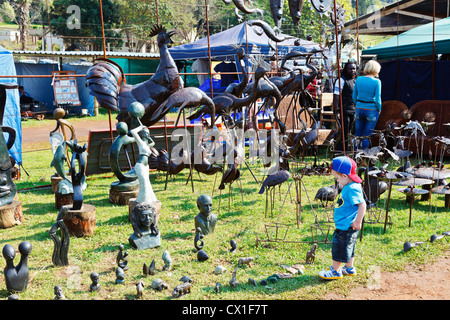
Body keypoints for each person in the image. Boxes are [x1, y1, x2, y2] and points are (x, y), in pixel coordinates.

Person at [318, 156, 366, 280]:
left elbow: (362, 204)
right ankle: (349, 268)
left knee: (339, 247)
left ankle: (335, 271)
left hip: (347, 226)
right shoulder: (350, 186)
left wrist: (358, 221)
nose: (337, 181)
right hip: (347, 225)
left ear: (345, 176)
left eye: (337, 178)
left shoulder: (352, 188)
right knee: (349, 246)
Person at [352, 60, 382, 149]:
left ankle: (355, 156)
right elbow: (378, 99)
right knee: (366, 135)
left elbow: (354, 96)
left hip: (359, 108)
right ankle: (363, 159)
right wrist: (379, 109)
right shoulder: (377, 82)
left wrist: (358, 104)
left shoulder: (359, 79)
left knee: (358, 134)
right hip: (372, 109)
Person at [333, 61, 357, 151]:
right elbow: (336, 96)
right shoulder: (341, 80)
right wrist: (337, 111)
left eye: (354, 68)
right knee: (344, 132)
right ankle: (341, 151)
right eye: (350, 68)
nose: (352, 70)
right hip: (344, 110)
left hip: (353, 110)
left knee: (350, 132)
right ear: (346, 69)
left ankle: (347, 150)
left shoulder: (355, 80)